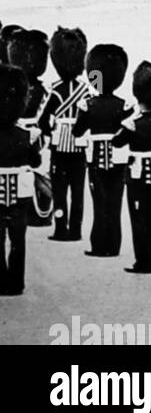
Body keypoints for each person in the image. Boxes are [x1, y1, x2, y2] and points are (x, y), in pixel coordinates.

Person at [72, 43, 130, 257]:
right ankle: (113, 246)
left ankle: (99, 245)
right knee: (115, 203)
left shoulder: (89, 104)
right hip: (119, 159)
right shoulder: (124, 105)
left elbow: (77, 132)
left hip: (96, 156)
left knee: (99, 203)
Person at [116, 61, 151, 273]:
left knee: (139, 219)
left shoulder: (133, 123)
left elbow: (117, 142)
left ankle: (143, 261)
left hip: (137, 175)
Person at [39, 26, 91, 241]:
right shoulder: (86, 89)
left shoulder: (55, 90)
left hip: (59, 147)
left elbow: (43, 121)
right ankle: (76, 230)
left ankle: (61, 227)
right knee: (77, 193)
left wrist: (51, 131)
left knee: (60, 193)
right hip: (79, 147)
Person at [0, 64, 40, 294]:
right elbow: (34, 162)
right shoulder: (27, 135)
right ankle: (16, 283)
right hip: (20, 192)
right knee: (18, 239)